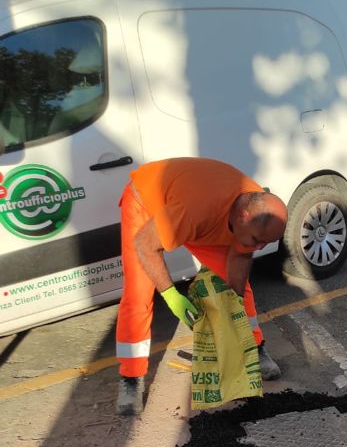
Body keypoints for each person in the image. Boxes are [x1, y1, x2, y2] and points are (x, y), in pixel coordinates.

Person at [115, 156, 288, 416]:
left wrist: (233, 305)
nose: (259, 247)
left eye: (265, 243)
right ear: (243, 216)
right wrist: (171, 295)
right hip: (147, 203)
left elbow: (240, 257)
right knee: (139, 293)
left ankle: (254, 350)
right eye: (257, 240)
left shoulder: (252, 211)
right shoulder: (196, 209)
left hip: (205, 218)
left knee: (242, 291)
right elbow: (146, 245)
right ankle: (131, 378)